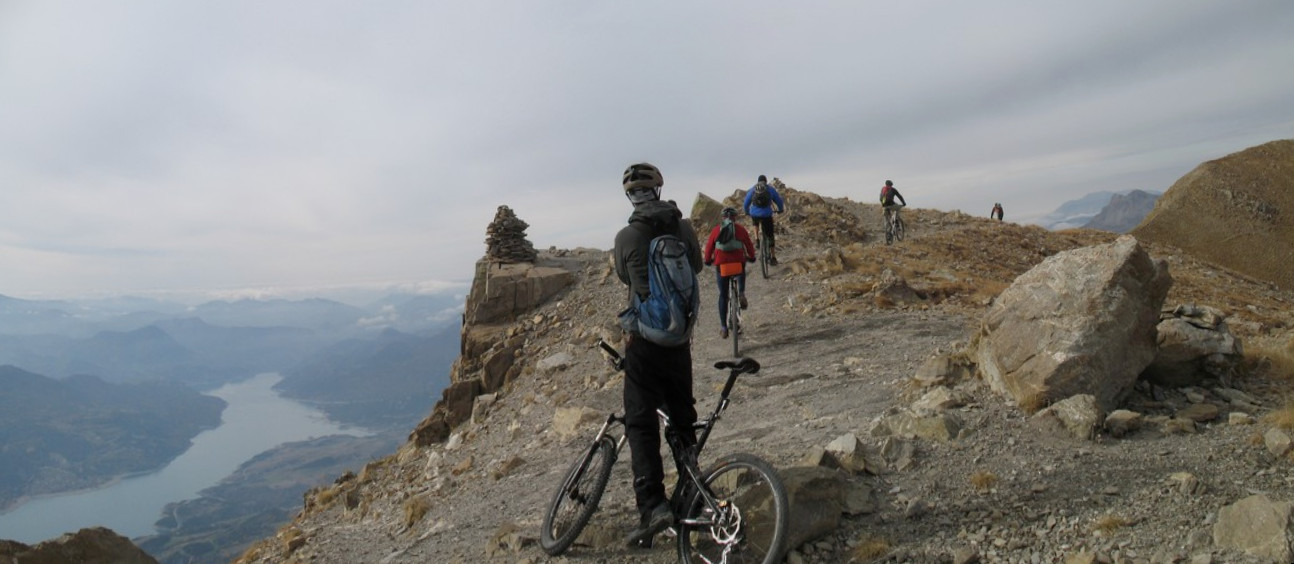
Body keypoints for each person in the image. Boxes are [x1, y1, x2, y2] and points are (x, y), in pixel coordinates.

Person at [612, 162, 704, 547]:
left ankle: (653, 506)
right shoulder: (682, 227)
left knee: (640, 422)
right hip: (679, 340)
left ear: (630, 196)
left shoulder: (626, 236)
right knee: (682, 417)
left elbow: (623, 277)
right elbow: (697, 266)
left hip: (644, 344)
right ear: (660, 189)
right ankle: (693, 493)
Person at [703, 207, 756, 339]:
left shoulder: (716, 230)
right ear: (735, 218)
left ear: (723, 218)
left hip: (722, 265)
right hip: (737, 263)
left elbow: (709, 247)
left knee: (723, 295)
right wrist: (752, 256)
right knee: (741, 268)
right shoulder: (740, 229)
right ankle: (742, 292)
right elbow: (749, 245)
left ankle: (723, 327)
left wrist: (708, 260)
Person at [742, 174, 785, 265]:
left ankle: (757, 239)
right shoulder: (770, 189)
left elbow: (746, 203)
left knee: (755, 222)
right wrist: (780, 209)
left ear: (758, 181)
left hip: (754, 214)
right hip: (766, 215)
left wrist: (747, 211)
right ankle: (773, 257)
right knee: (770, 235)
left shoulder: (753, 189)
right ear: (766, 181)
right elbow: (779, 200)